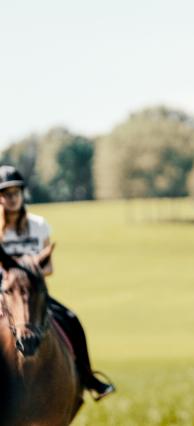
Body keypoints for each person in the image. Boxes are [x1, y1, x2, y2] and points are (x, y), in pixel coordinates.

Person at [0, 165, 115, 401]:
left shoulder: (38, 224)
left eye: (16, 193)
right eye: (6, 194)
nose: (12, 198)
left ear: (22, 194)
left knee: (71, 319)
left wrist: (28, 270)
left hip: (33, 293)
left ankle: (88, 377)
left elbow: (49, 266)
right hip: (5, 292)